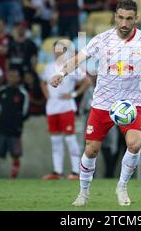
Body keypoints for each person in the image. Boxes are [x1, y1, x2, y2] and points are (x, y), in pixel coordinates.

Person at [50, 0, 141, 206]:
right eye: (121, 18)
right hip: (103, 104)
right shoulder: (101, 40)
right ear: (115, 16)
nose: (124, 23)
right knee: (91, 150)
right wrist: (62, 73)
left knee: (134, 144)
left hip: (130, 104)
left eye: (129, 19)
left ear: (136, 19)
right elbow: (79, 59)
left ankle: (122, 186)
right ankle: (83, 192)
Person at [41, 40, 91, 180]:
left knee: (70, 139)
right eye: (55, 49)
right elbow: (43, 83)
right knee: (55, 140)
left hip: (66, 108)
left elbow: (86, 81)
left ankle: (75, 171)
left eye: (60, 49)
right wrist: (48, 96)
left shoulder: (71, 66)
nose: (57, 52)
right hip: (52, 108)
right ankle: (57, 172)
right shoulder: (48, 67)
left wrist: (74, 94)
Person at [0, 68, 29, 179]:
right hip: (1, 127)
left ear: (19, 78)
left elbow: (25, 112)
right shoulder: (1, 91)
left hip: (15, 129)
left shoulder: (23, 93)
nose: (12, 78)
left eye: (15, 76)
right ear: (7, 77)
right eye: (10, 75)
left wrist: (18, 122)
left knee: (15, 154)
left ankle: (14, 177)